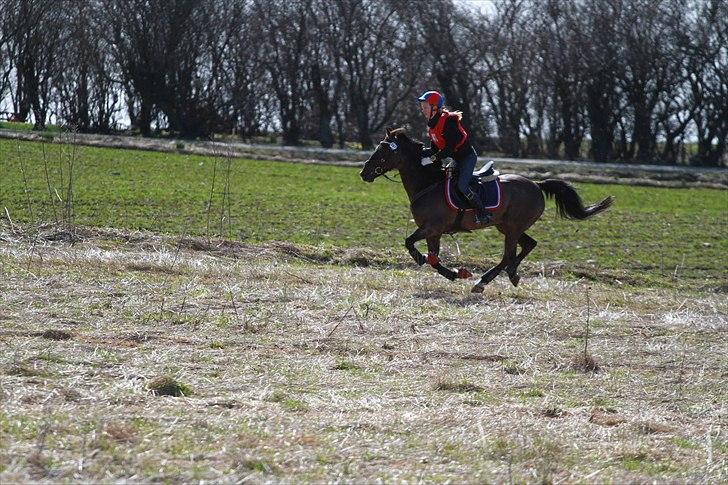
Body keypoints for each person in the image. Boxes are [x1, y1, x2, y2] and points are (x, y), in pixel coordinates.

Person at [417, 90, 490, 224]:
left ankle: (482, 212)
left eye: (425, 107)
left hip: (467, 158)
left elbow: (449, 148)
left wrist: (432, 159)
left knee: (462, 186)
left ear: (434, 107)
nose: (422, 110)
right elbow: (434, 149)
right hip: (456, 159)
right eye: (422, 107)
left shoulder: (449, 120)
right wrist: (417, 153)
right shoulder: (432, 125)